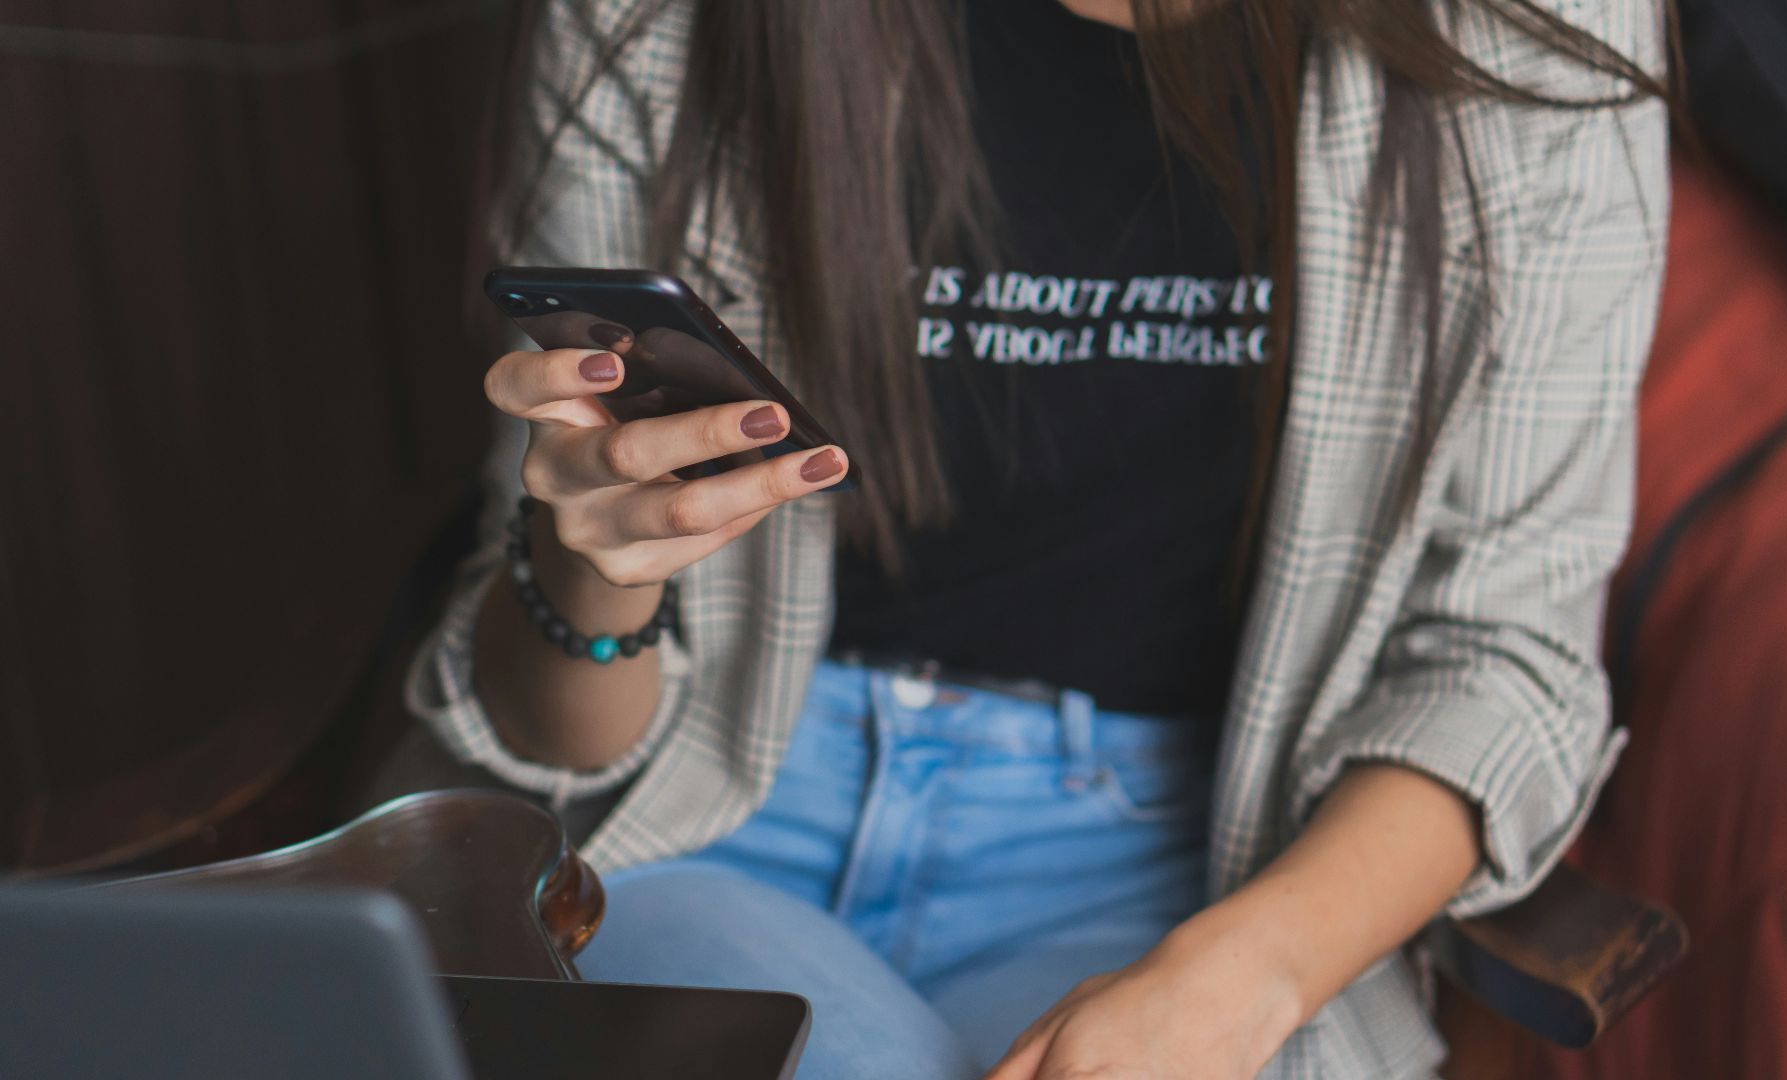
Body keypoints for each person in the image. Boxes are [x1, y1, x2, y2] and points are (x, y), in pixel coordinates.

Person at [407, 0, 1669, 1075]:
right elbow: (549, 738)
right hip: (709, 819)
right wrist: (589, 564)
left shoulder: (1535, 29)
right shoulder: (669, 21)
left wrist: (1254, 972)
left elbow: (1508, 649)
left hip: (1193, 861)